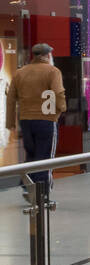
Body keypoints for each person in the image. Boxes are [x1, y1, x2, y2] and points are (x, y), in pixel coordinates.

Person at [6, 42, 66, 195]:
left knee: (31, 155)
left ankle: (28, 186)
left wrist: (10, 122)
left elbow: (11, 98)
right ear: (47, 55)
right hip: (46, 120)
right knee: (46, 157)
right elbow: (58, 93)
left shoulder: (20, 72)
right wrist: (62, 109)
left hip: (26, 120)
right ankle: (42, 193)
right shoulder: (53, 71)